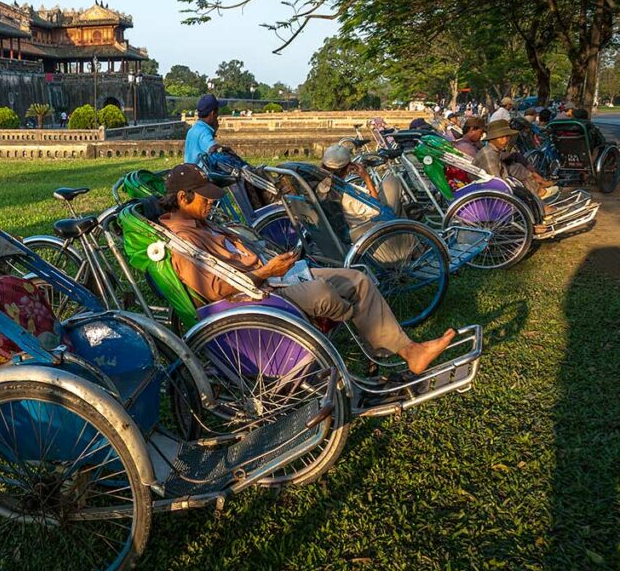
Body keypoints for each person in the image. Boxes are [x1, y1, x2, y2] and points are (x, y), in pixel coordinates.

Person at [158, 164, 456, 375]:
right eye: (205, 198)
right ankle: (360, 325)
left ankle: (406, 351)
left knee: (358, 279)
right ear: (183, 198)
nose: (211, 203)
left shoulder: (201, 223)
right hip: (258, 296)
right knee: (326, 293)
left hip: (273, 280)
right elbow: (214, 291)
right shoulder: (183, 241)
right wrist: (265, 272)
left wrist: (272, 266)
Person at [474, 120, 556, 221]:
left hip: (498, 180)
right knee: (521, 189)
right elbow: (496, 181)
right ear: (492, 139)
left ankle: (540, 201)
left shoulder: (494, 150)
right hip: (488, 188)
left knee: (517, 168)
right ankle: (539, 210)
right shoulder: (489, 155)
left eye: (507, 137)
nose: (505, 140)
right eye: (501, 138)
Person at [184, 94, 221, 164]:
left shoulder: (193, 129)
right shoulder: (204, 131)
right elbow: (212, 148)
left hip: (189, 167)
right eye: (217, 112)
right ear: (213, 113)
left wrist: (214, 131)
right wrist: (226, 149)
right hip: (199, 170)